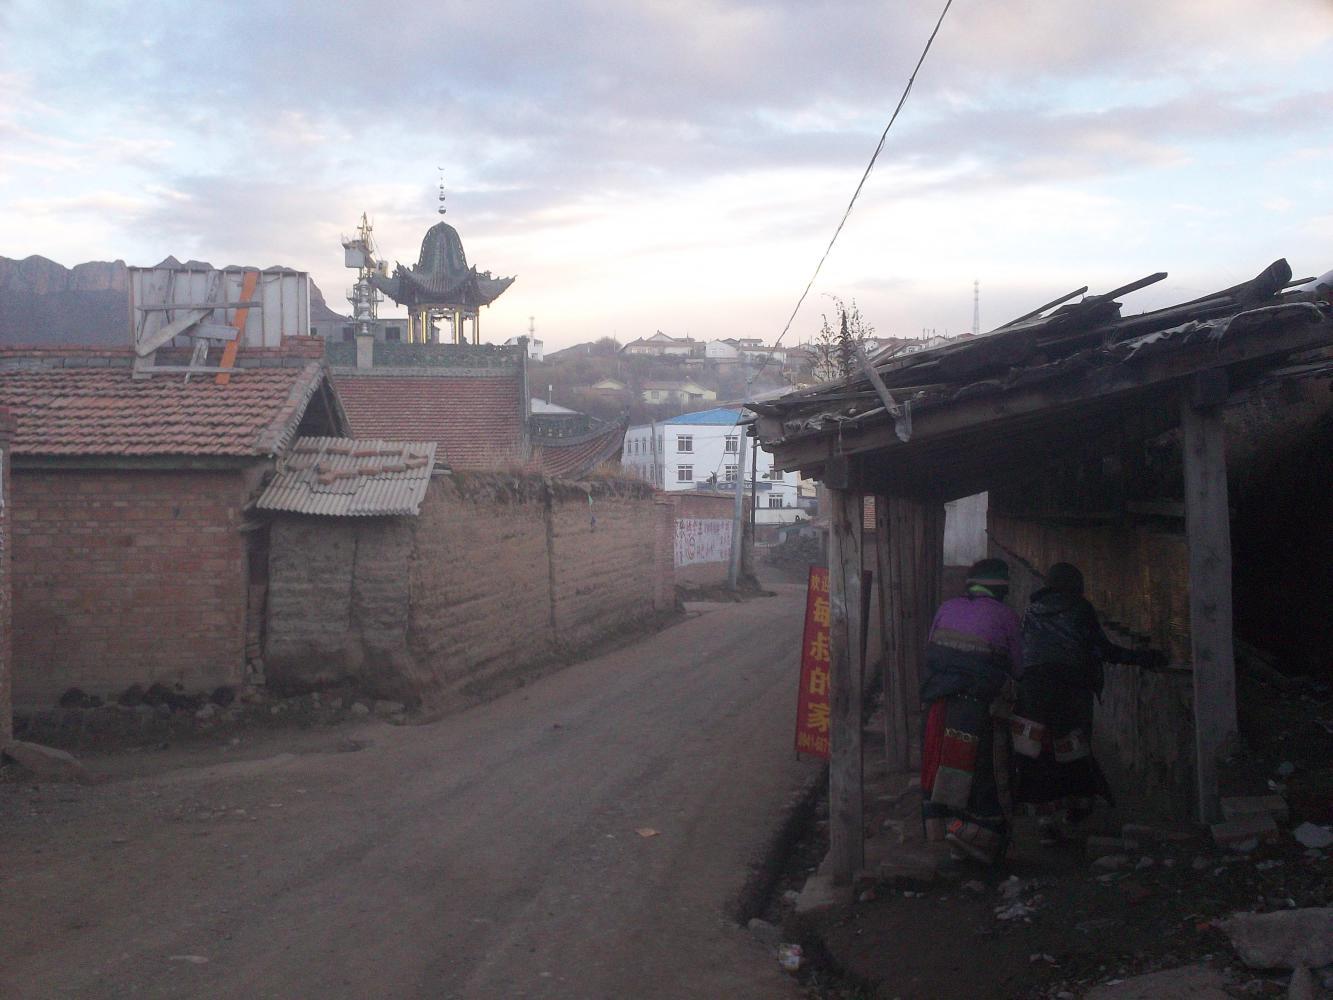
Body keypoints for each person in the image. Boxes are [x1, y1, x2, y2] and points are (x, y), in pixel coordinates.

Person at [1013, 562, 1167, 844]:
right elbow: (1102, 649)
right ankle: (1076, 808)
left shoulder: (1032, 611)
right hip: (1071, 689)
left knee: (1040, 751)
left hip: (1034, 689)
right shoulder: (1080, 609)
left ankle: (1045, 818)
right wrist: (1143, 658)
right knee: (1072, 748)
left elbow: (1022, 650)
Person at [920, 557, 1023, 865]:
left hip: (938, 708)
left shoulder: (946, 608)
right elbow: (1019, 667)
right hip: (979, 710)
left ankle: (943, 828)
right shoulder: (1006, 616)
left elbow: (932, 652)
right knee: (986, 773)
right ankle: (980, 836)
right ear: (1002, 589)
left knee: (942, 766)